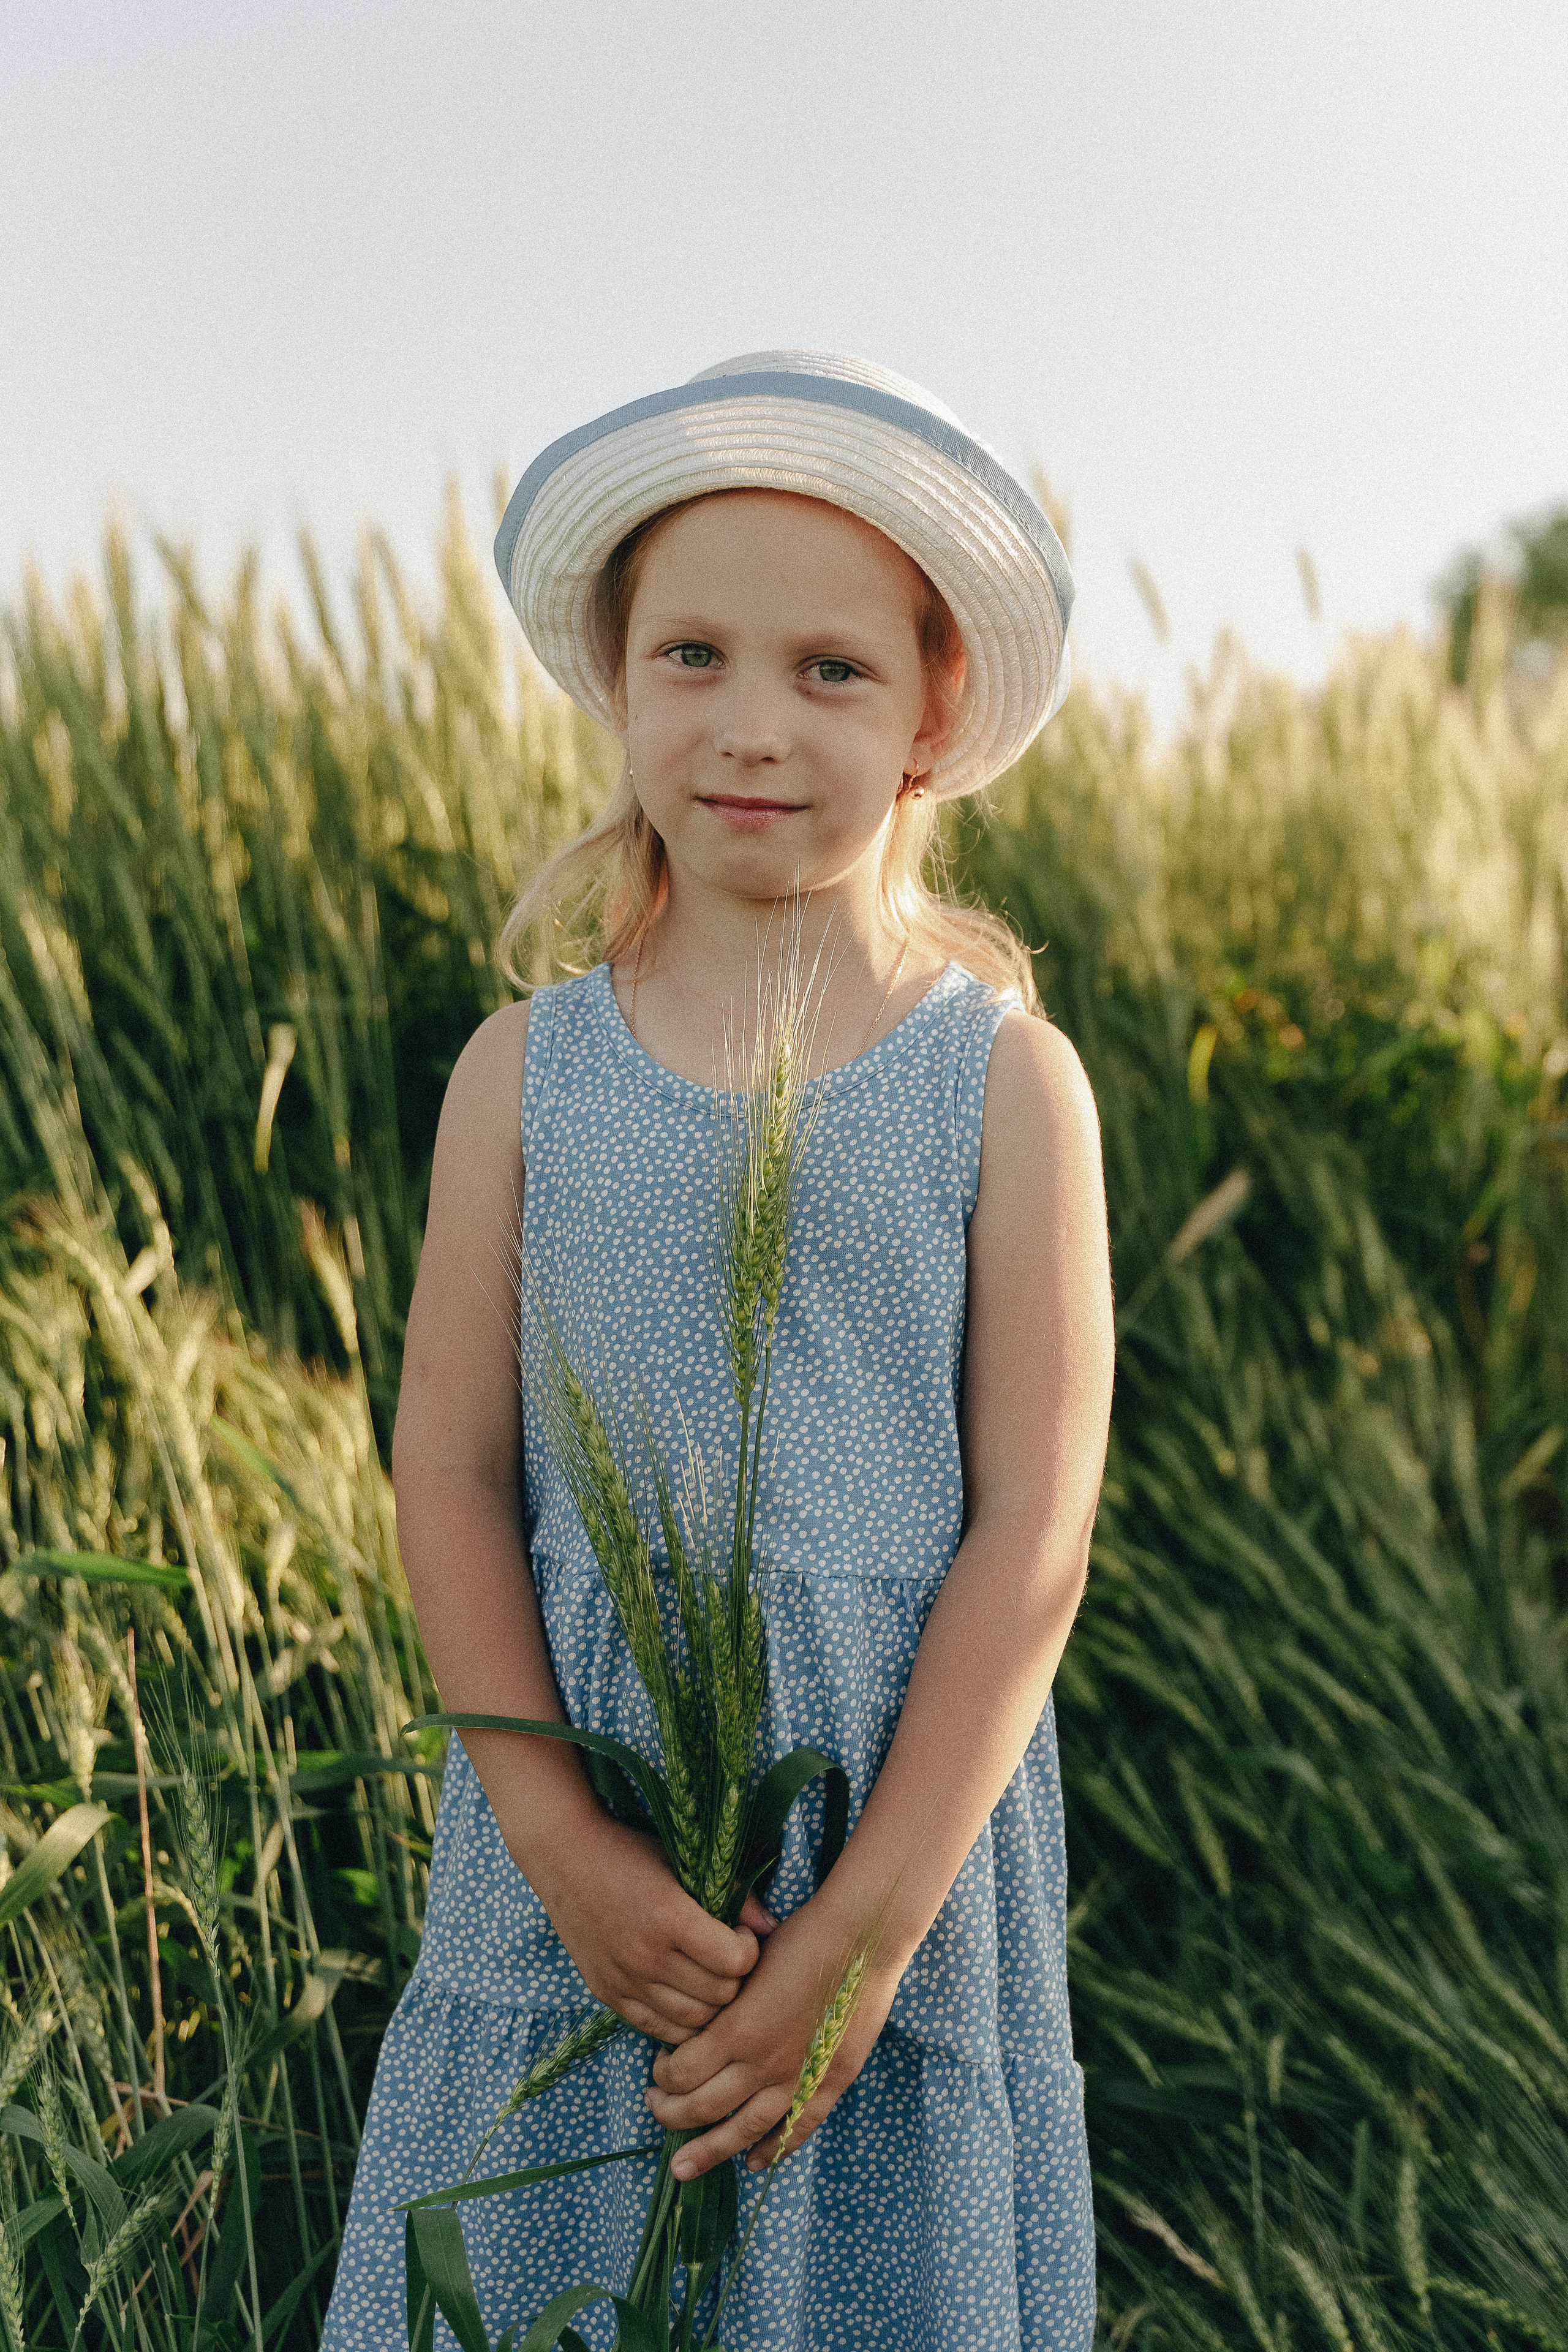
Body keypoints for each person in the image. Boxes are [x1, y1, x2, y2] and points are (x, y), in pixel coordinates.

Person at [319, 351, 1114, 2351]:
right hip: (577, 1836)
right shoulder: (521, 1075)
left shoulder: (1005, 1083)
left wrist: (865, 1928)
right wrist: (555, 1838)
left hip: (897, 1830)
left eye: (829, 672)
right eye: (693, 656)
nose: (752, 726)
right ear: (615, 682)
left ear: (936, 708)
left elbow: (1035, 1524)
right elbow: (452, 1470)